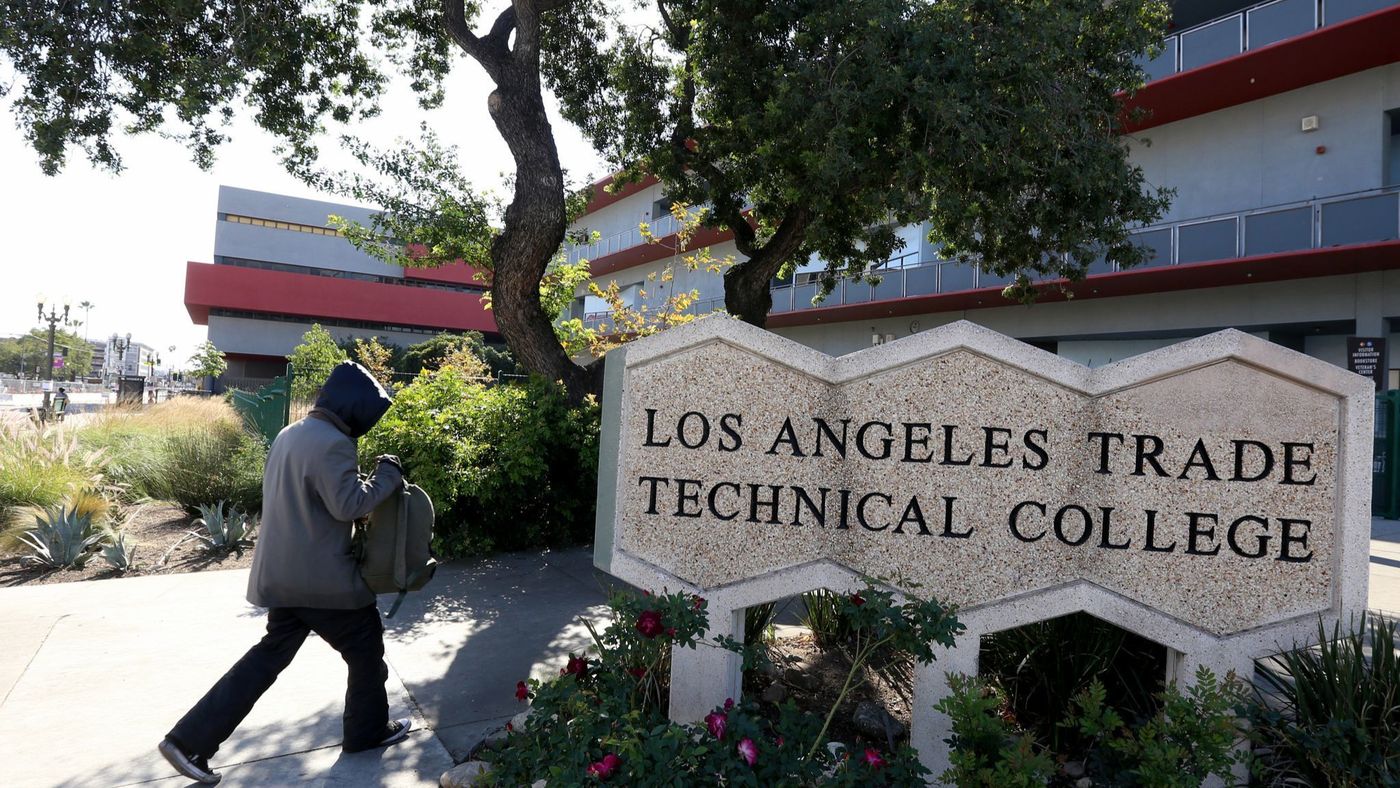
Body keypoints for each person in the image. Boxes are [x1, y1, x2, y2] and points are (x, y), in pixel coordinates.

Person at [158, 361, 409, 785]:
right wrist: (388, 475)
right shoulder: (333, 443)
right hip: (323, 582)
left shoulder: (291, 434)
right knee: (366, 649)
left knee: (265, 660)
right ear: (352, 407)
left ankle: (188, 741)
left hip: (282, 575)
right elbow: (348, 505)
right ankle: (365, 733)